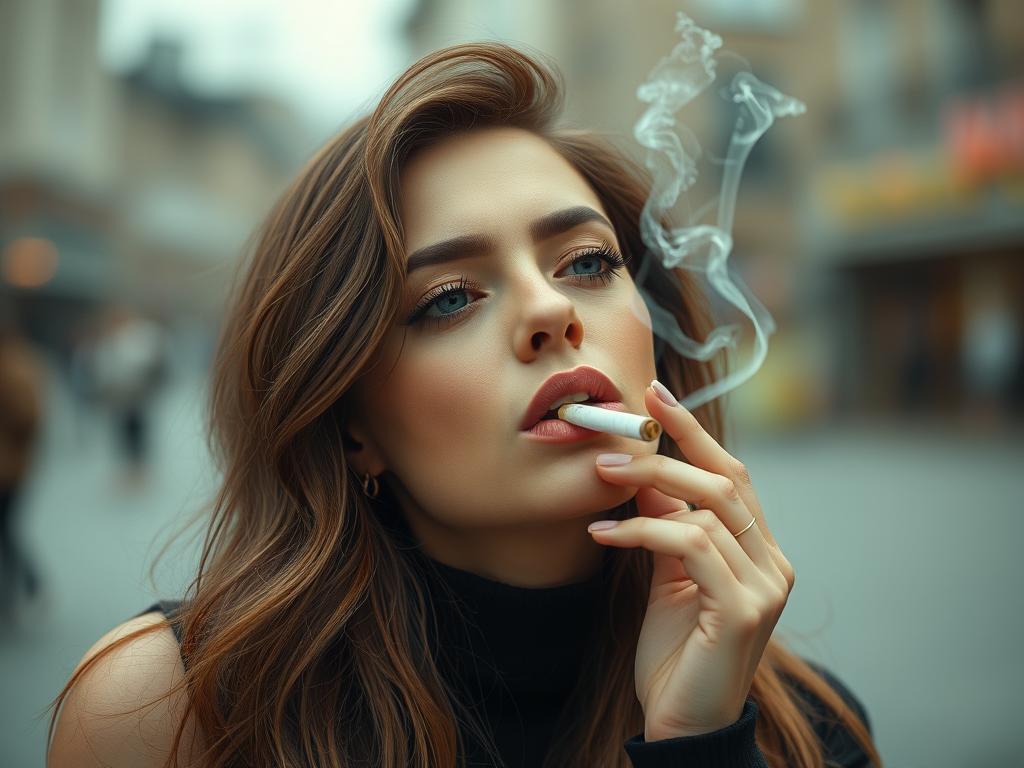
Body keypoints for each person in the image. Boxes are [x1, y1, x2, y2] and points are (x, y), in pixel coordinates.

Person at [46, 42, 883, 767]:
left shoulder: (810, 734)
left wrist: (697, 746)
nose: (552, 313)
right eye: (449, 297)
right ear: (352, 428)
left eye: (587, 263)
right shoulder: (166, 718)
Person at [0, 324, 45, 627]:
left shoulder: (12, 369)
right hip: (13, 466)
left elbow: (28, 416)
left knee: (6, 531)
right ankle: (28, 585)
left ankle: (20, 591)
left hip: (9, 469)